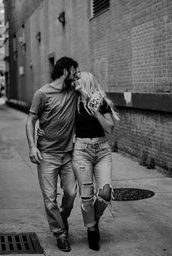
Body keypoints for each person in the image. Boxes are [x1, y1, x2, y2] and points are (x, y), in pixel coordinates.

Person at [26, 56, 79, 252]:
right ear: (65, 72)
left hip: (68, 155)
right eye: (73, 72)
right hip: (47, 155)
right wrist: (32, 146)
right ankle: (60, 234)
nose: (76, 75)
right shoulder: (42, 93)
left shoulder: (74, 91)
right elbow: (31, 120)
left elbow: (90, 88)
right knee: (50, 198)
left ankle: (61, 220)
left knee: (71, 193)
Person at [72, 71, 120, 251]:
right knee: (86, 195)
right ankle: (91, 230)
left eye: (78, 79)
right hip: (81, 151)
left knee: (105, 193)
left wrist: (96, 112)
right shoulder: (73, 102)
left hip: (102, 150)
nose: (75, 81)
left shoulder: (101, 102)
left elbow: (110, 128)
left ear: (86, 82)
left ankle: (94, 219)